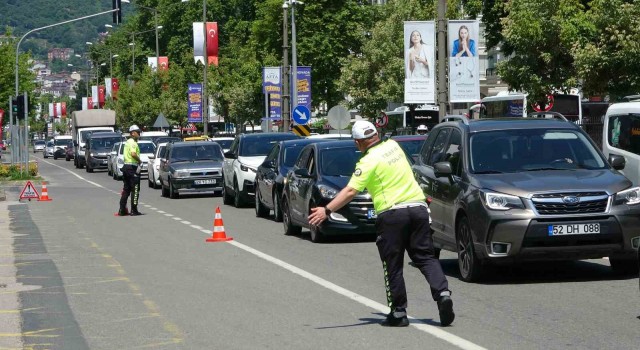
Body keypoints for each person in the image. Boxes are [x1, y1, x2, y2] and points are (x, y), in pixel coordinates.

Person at [308, 120, 454, 327]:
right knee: (426, 257)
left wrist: (327, 209)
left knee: (392, 264)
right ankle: (443, 294)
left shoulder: (367, 162)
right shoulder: (394, 146)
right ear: (376, 134)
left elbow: (350, 191)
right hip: (418, 208)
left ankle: (398, 312)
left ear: (359, 142)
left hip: (392, 214)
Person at [118, 125, 143, 216]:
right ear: (132, 133)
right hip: (132, 168)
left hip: (126, 167)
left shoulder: (128, 142)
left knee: (126, 189)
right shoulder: (132, 142)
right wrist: (140, 161)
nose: (139, 134)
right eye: (138, 132)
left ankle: (122, 209)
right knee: (135, 189)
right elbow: (133, 154)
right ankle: (134, 210)